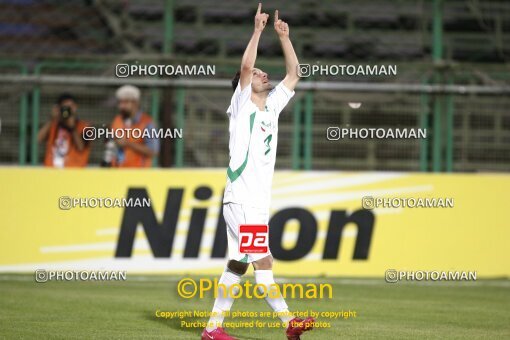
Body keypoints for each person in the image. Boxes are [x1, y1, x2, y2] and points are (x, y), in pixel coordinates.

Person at [202, 4, 314, 340]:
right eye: (259, 74)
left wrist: (284, 38)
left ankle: (212, 330)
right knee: (263, 262)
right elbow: (246, 65)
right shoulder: (241, 106)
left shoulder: (272, 108)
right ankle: (289, 324)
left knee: (237, 265)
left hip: (254, 202)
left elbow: (295, 73)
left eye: (265, 73)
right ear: (245, 85)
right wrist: (257, 31)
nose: (264, 75)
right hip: (242, 199)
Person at [107, 85, 159, 167]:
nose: (121, 106)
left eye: (125, 103)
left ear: (135, 103)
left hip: (138, 175)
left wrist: (127, 144)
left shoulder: (147, 123)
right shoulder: (117, 120)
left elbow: (153, 151)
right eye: (120, 103)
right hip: (117, 173)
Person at [38, 93, 91, 168]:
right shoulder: (53, 125)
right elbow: (38, 139)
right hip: (51, 171)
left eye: (71, 107)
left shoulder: (85, 127)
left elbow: (81, 147)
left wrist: (72, 128)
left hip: (73, 172)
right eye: (65, 107)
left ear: (75, 107)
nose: (68, 110)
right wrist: (51, 119)